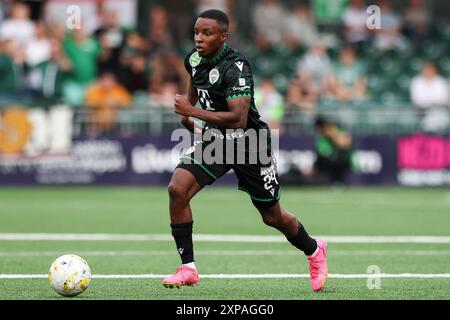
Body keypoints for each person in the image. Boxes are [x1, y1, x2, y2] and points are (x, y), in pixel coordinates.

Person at [162, 9, 328, 292]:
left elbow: (238, 118)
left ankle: (314, 250)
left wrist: (193, 111)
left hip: (249, 143)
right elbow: (192, 101)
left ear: (223, 36)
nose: (199, 38)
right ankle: (187, 268)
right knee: (178, 190)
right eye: (196, 32)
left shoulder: (237, 67)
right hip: (216, 142)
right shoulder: (193, 59)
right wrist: (189, 118)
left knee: (272, 216)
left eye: (207, 33)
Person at [313, 116, 353, 185]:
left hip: (342, 160)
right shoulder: (321, 138)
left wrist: (333, 136)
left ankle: (339, 181)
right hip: (329, 161)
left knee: (340, 159)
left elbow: (345, 144)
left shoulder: (338, 130)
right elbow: (323, 152)